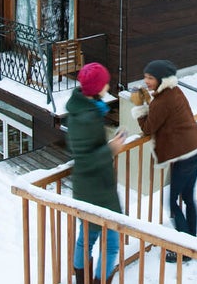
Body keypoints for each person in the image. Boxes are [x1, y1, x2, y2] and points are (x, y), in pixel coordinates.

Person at [130, 59, 197, 262]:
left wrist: (139, 106)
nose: (146, 81)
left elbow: (148, 128)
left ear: (161, 79)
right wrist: (148, 101)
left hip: (183, 158)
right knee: (188, 198)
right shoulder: (174, 92)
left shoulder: (163, 101)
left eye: (150, 78)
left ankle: (185, 250)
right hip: (195, 150)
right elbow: (159, 112)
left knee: (171, 203)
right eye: (145, 77)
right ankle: (192, 242)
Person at [66, 62, 124, 283]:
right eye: (105, 82)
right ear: (97, 87)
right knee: (110, 243)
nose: (108, 85)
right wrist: (111, 148)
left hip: (88, 188)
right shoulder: (87, 117)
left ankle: (82, 279)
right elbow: (85, 158)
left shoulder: (83, 109)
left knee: (87, 237)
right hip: (97, 189)